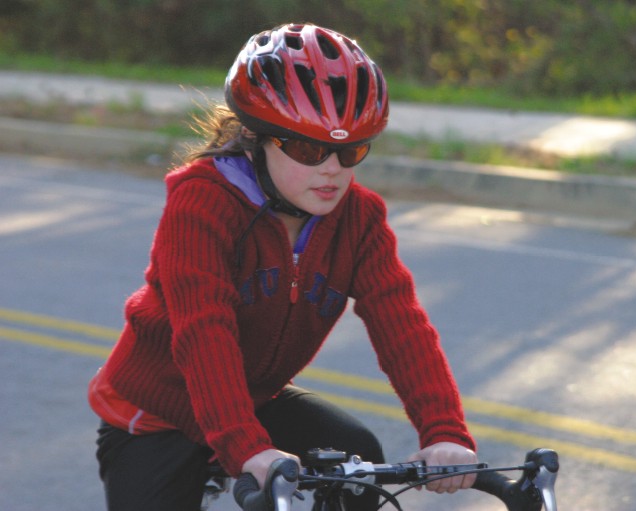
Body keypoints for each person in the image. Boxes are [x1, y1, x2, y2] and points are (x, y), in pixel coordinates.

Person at [88, 22, 477, 511]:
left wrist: (443, 428)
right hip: (156, 412)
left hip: (253, 401)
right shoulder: (202, 203)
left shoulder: (359, 217)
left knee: (359, 467)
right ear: (258, 137)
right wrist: (244, 446)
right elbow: (203, 331)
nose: (331, 168)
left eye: (351, 150)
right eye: (309, 149)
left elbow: (403, 326)